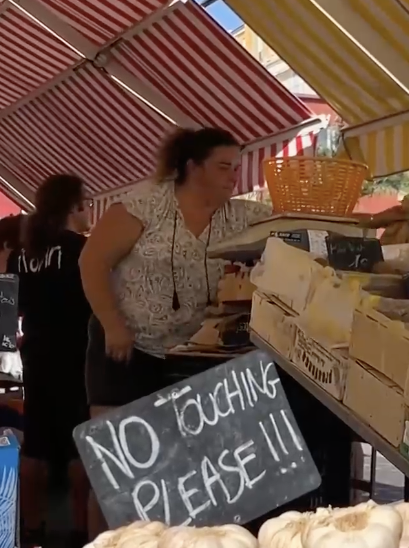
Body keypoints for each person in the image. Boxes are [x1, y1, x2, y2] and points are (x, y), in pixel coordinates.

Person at [79, 127, 272, 536]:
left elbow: (297, 219)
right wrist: (114, 326)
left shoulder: (240, 216)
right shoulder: (142, 207)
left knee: (173, 470)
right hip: (123, 348)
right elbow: (91, 263)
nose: (233, 176)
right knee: (115, 467)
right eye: (223, 166)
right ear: (190, 166)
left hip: (187, 355)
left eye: (236, 168)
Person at [7, 175, 92, 547]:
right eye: (86, 204)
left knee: (36, 442)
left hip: (37, 355)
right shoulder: (84, 250)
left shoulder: (20, 254)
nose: (89, 212)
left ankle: (31, 526)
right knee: (79, 443)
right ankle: (81, 527)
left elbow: (8, 313)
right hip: (78, 354)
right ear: (73, 207)